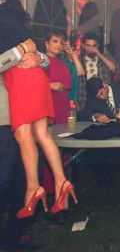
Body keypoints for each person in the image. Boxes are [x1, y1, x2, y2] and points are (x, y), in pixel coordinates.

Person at [0, 0, 76, 218]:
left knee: (24, 134)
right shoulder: (14, 15)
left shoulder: (3, 18)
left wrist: (28, 52)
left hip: (22, 80)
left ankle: (34, 188)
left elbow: (24, 51)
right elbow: (29, 47)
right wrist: (26, 50)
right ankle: (61, 182)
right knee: (40, 134)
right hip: (34, 79)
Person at [0, 40, 47, 250]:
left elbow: (45, 60)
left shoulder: (11, 27)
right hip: (3, 121)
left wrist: (39, 58)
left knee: (25, 181)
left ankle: (14, 237)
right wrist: (19, 51)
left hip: (25, 117)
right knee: (4, 180)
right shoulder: (14, 46)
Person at [45, 32, 85, 125]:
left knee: (65, 132)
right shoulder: (41, 60)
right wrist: (50, 85)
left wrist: (71, 53)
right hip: (49, 100)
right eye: (55, 41)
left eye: (61, 43)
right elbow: (33, 82)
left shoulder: (63, 61)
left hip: (65, 101)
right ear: (47, 43)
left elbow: (80, 72)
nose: (59, 45)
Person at [77, 31, 118, 111]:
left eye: (94, 46)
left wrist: (99, 55)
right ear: (83, 45)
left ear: (98, 45)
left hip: (103, 97)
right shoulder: (79, 60)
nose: (91, 48)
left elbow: (114, 68)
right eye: (88, 45)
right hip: (84, 99)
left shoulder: (105, 56)